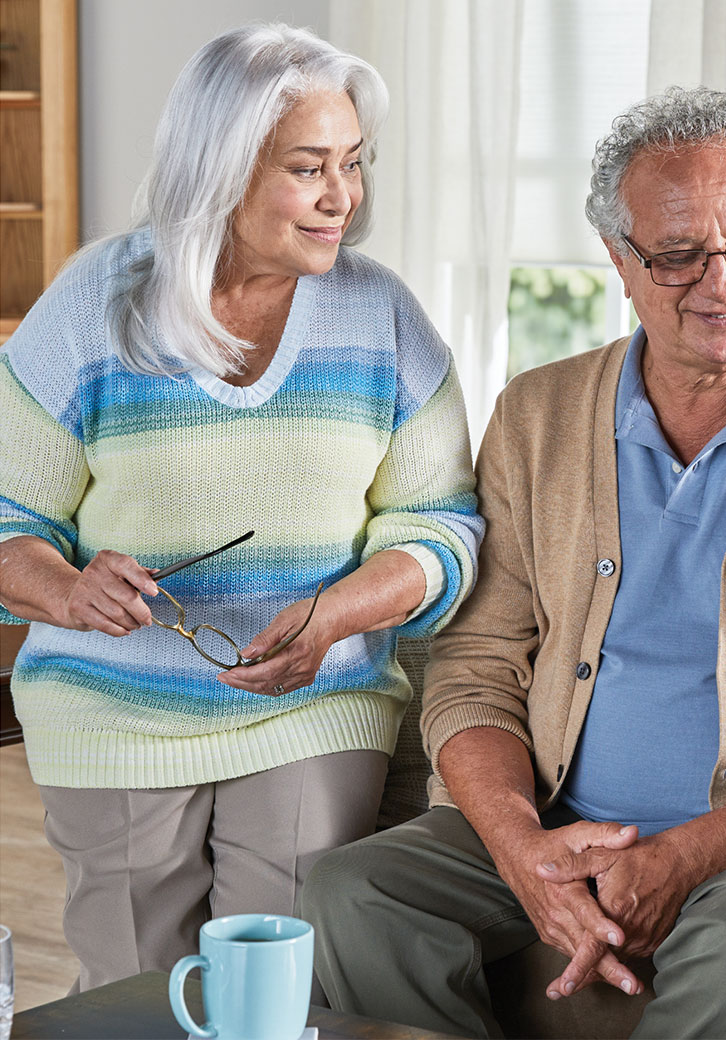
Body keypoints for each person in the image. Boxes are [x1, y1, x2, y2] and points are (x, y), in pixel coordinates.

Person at [300, 86, 726, 1038]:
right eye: (681, 255)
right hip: (566, 815)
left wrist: (685, 856)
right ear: (618, 261)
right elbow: (474, 672)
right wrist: (526, 850)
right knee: (355, 892)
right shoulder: (538, 416)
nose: (724, 283)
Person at [0, 24, 483, 992]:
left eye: (353, 163)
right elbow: (10, 518)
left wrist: (334, 614)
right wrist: (65, 590)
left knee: (276, 984)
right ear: (219, 171)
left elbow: (443, 525)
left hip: (312, 702)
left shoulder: (380, 315)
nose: (344, 196)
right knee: (136, 991)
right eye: (310, 168)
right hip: (112, 707)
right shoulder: (96, 302)